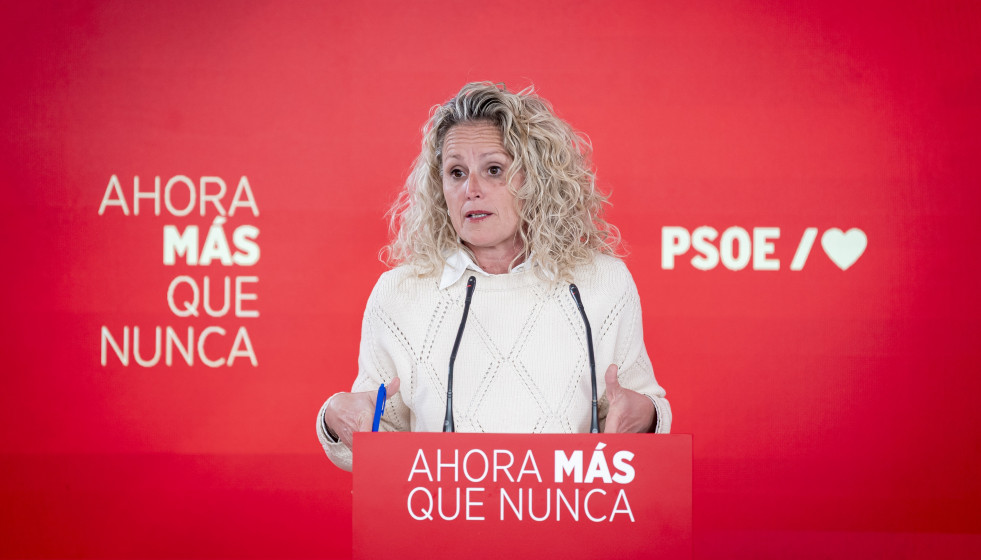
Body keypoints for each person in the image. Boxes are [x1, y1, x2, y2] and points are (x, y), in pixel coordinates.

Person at [317, 82, 671, 471]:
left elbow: (642, 411)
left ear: (535, 180)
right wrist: (335, 420)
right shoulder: (400, 293)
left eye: (494, 170)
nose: (472, 190)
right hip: (441, 526)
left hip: (570, 523)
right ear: (440, 188)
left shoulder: (601, 283)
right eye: (456, 172)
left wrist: (649, 416)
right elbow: (372, 443)